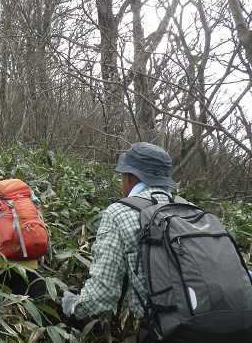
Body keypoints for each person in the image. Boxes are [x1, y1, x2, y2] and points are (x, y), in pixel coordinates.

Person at [61, 142, 252, 342]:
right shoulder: (192, 210)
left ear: (129, 177)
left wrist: (75, 306)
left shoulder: (119, 213)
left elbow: (104, 293)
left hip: (176, 332)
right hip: (238, 326)